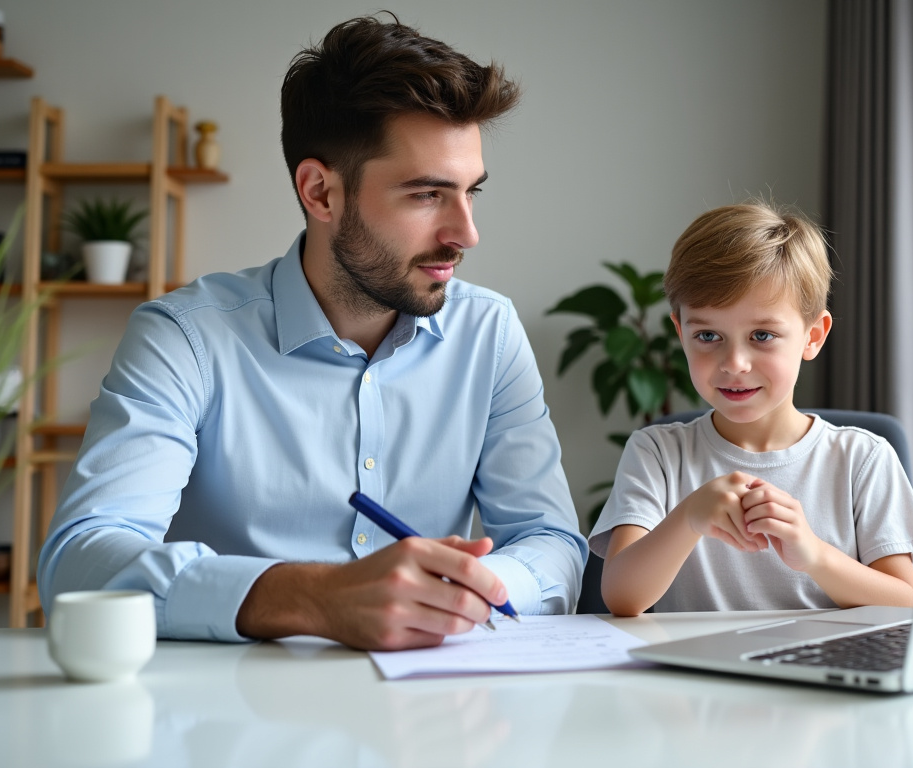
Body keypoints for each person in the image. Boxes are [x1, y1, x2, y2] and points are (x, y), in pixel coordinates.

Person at [38, 15, 586, 650]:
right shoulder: (185, 338)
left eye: (471, 193)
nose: (465, 233)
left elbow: (553, 545)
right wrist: (315, 598)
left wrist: (467, 588)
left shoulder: (487, 333)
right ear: (320, 191)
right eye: (426, 195)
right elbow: (80, 562)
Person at [589, 202, 913, 616]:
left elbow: (906, 603)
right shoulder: (657, 453)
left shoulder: (863, 459)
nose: (734, 363)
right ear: (681, 333)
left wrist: (815, 556)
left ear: (812, 336)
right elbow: (622, 598)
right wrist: (689, 518)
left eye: (762, 335)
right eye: (709, 335)